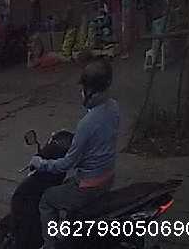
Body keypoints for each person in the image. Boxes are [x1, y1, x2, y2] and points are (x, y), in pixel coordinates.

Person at [32, 60, 119, 249]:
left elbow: (67, 164)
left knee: (47, 199)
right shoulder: (114, 107)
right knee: (67, 185)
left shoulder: (87, 123)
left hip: (89, 187)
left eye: (83, 89)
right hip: (108, 178)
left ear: (89, 91)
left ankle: (50, 245)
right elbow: (99, 141)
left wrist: (41, 163)